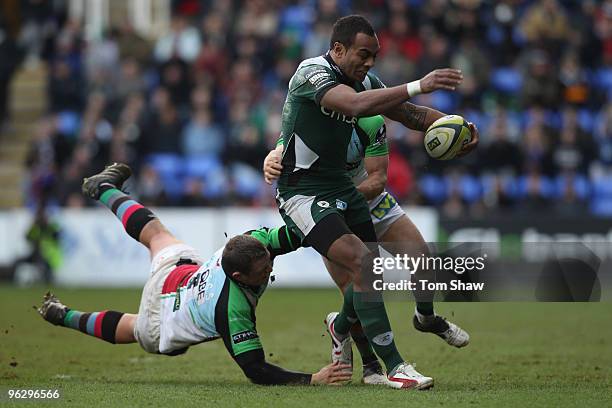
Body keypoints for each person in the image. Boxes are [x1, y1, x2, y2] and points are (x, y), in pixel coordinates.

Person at [275, 15, 478, 389]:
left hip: (346, 190)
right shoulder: (311, 73)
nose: (370, 63)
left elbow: (411, 115)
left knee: (372, 273)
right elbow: (352, 105)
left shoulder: (366, 83)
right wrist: (419, 84)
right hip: (304, 192)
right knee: (363, 265)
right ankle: (393, 366)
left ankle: (342, 328)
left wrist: (456, 125)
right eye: (363, 55)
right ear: (337, 49)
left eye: (375, 56)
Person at [38, 163, 351, 386]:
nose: (270, 269)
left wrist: (338, 216)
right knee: (137, 328)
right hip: (167, 317)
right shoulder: (232, 308)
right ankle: (63, 316)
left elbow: (300, 234)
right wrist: (312, 379)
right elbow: (256, 370)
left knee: (157, 234)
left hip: (182, 274)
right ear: (241, 276)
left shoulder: (256, 242)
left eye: (268, 261)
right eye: (263, 270)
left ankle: (103, 187)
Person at [264, 115, 472, 381]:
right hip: (324, 206)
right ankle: (370, 363)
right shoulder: (310, 112)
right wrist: (271, 156)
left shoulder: (370, 122)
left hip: (367, 198)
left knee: (422, 259)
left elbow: (377, 180)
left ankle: (426, 317)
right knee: (360, 288)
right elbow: (284, 145)